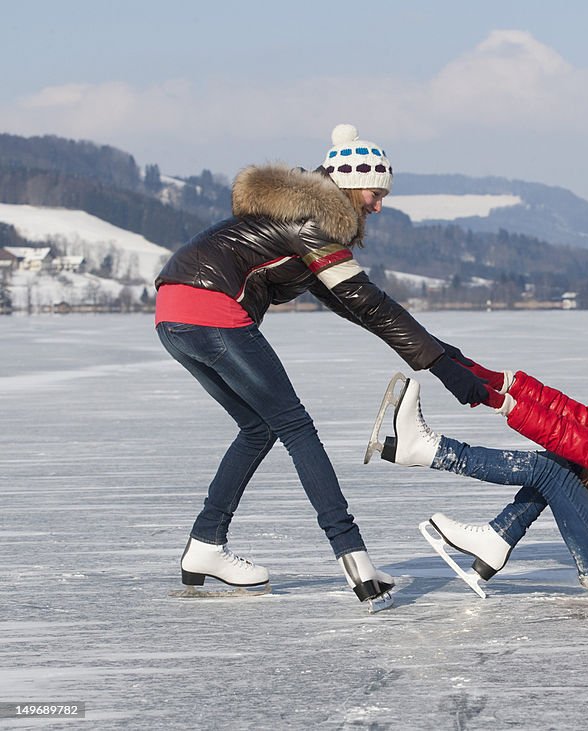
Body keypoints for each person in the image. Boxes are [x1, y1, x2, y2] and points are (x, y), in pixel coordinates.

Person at [154, 123, 488, 607]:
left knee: (258, 427)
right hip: (213, 312)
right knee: (296, 427)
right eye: (376, 193)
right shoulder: (317, 224)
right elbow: (370, 304)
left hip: (173, 314)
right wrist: (442, 367)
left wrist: (442, 353)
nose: (378, 205)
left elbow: (351, 304)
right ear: (352, 185)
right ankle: (354, 558)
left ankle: (206, 545)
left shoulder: (294, 217)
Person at [377, 348, 588, 601]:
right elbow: (571, 414)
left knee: (551, 467)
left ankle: (432, 450)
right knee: (561, 461)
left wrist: (504, 406)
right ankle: (497, 538)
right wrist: (502, 382)